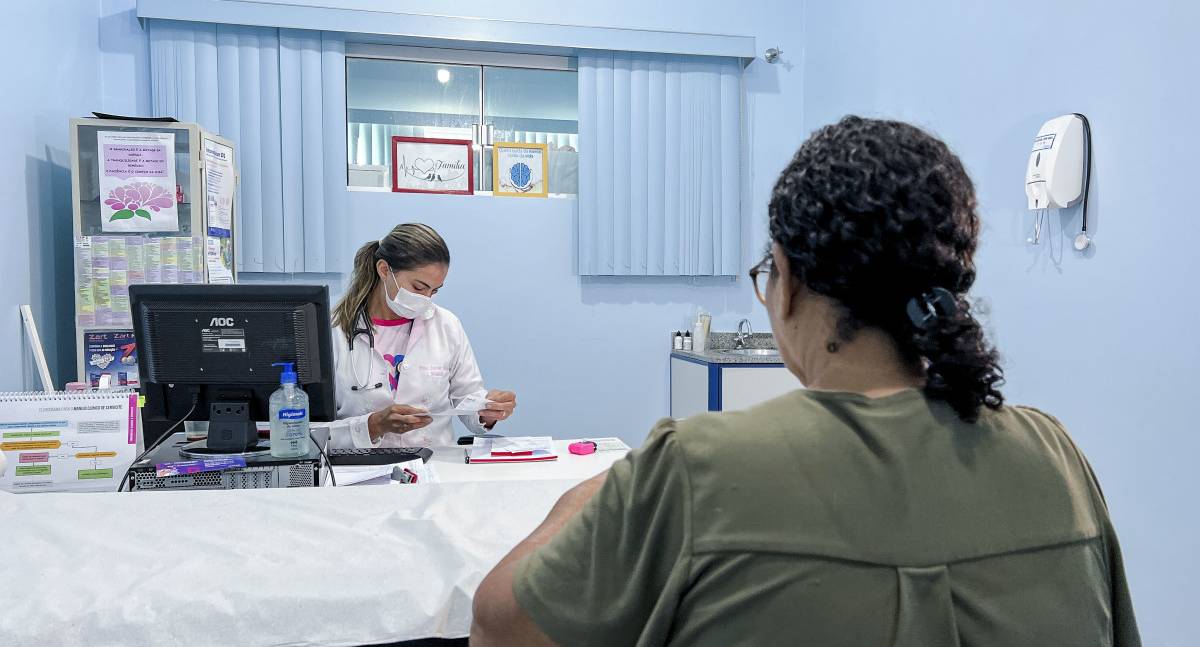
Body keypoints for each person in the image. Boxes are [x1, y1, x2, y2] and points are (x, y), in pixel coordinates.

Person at [470, 117, 1140, 646]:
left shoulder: (696, 470)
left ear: (785, 279)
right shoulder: (1057, 459)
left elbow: (500, 626)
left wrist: (584, 499)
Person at [328, 223, 516, 448]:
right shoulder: (335, 330)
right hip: (359, 471)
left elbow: (467, 398)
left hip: (433, 464)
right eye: (418, 287)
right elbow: (312, 431)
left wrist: (487, 410)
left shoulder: (446, 325)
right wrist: (374, 425)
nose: (426, 298)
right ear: (385, 270)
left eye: (434, 290)